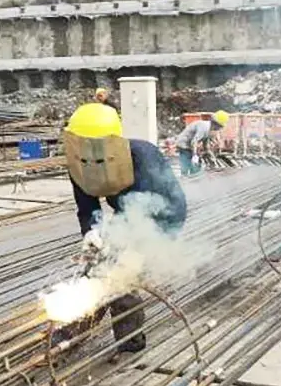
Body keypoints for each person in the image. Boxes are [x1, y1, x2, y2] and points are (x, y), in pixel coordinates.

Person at [61, 101, 187, 354]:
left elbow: (161, 205)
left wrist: (134, 250)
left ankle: (130, 341)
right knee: (96, 268)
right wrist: (92, 232)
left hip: (161, 215)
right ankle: (73, 332)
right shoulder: (78, 162)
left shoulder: (143, 157)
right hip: (125, 213)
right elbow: (87, 207)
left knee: (122, 276)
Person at [174, 111, 229, 176]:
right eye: (220, 126)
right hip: (183, 143)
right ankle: (185, 178)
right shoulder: (204, 127)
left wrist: (211, 155)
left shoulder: (209, 129)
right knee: (187, 161)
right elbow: (194, 141)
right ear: (216, 124)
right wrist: (195, 155)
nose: (219, 129)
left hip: (189, 144)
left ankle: (194, 176)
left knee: (196, 165)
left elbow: (205, 144)